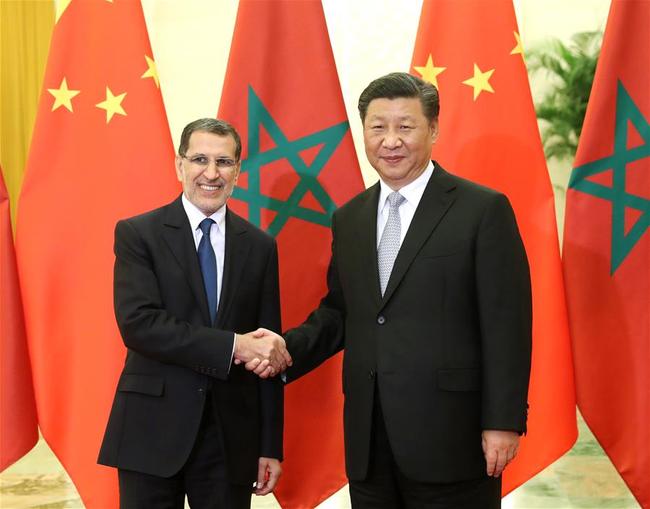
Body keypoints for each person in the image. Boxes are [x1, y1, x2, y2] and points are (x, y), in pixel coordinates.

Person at [250, 73, 532, 508]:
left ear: (434, 129)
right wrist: (285, 348)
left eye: (406, 126)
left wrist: (503, 421)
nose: (391, 141)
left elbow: (506, 324)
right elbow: (342, 312)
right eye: (378, 127)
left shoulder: (482, 210)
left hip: (451, 440)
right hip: (369, 442)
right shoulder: (351, 218)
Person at [98, 118, 292, 509]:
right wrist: (232, 346)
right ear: (179, 165)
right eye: (200, 159)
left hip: (229, 439)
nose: (211, 173)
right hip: (151, 430)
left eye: (223, 162)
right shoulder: (139, 234)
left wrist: (270, 445)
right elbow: (140, 325)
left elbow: (267, 352)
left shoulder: (259, 246)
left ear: (238, 170)